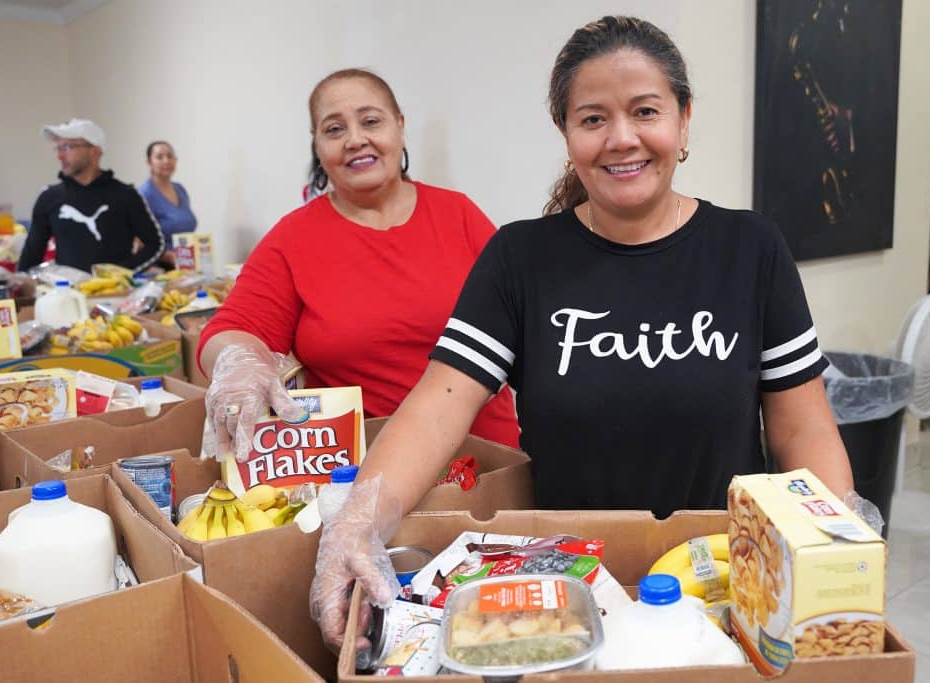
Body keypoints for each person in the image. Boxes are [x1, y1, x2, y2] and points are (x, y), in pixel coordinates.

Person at [308, 16, 872, 653]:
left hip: (728, 593)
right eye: (594, 118)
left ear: (683, 121)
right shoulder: (520, 258)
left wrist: (836, 546)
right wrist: (357, 522)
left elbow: (802, 426)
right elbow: (438, 408)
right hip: (569, 603)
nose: (622, 139)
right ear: (567, 133)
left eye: (646, 111)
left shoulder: (751, 249)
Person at [198, 68, 520, 466]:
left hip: (489, 470)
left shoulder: (459, 215)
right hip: (363, 480)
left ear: (399, 127)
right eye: (334, 130)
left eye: (371, 121)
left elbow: (524, 320)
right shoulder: (293, 239)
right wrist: (238, 362)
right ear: (317, 146)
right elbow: (230, 330)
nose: (355, 139)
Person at [18, 118, 165, 273]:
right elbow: (31, 254)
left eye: (68, 147)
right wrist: (19, 284)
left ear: (94, 151)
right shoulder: (49, 198)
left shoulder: (125, 195)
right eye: (58, 149)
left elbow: (156, 244)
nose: (60, 156)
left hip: (117, 293)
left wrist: (122, 272)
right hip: (67, 293)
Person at [138, 141, 197, 267]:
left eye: (170, 156)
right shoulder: (144, 194)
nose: (166, 161)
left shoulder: (180, 190)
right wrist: (169, 257)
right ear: (149, 162)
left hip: (187, 264)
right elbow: (139, 241)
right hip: (158, 269)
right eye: (159, 157)